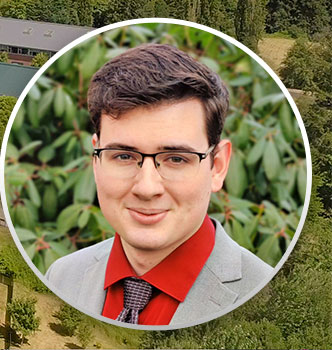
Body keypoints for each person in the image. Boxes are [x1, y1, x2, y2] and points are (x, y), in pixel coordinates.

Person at [43, 44, 273, 327]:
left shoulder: (269, 299)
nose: (147, 188)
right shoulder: (62, 276)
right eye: (124, 156)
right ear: (96, 160)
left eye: (176, 158)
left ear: (219, 166)